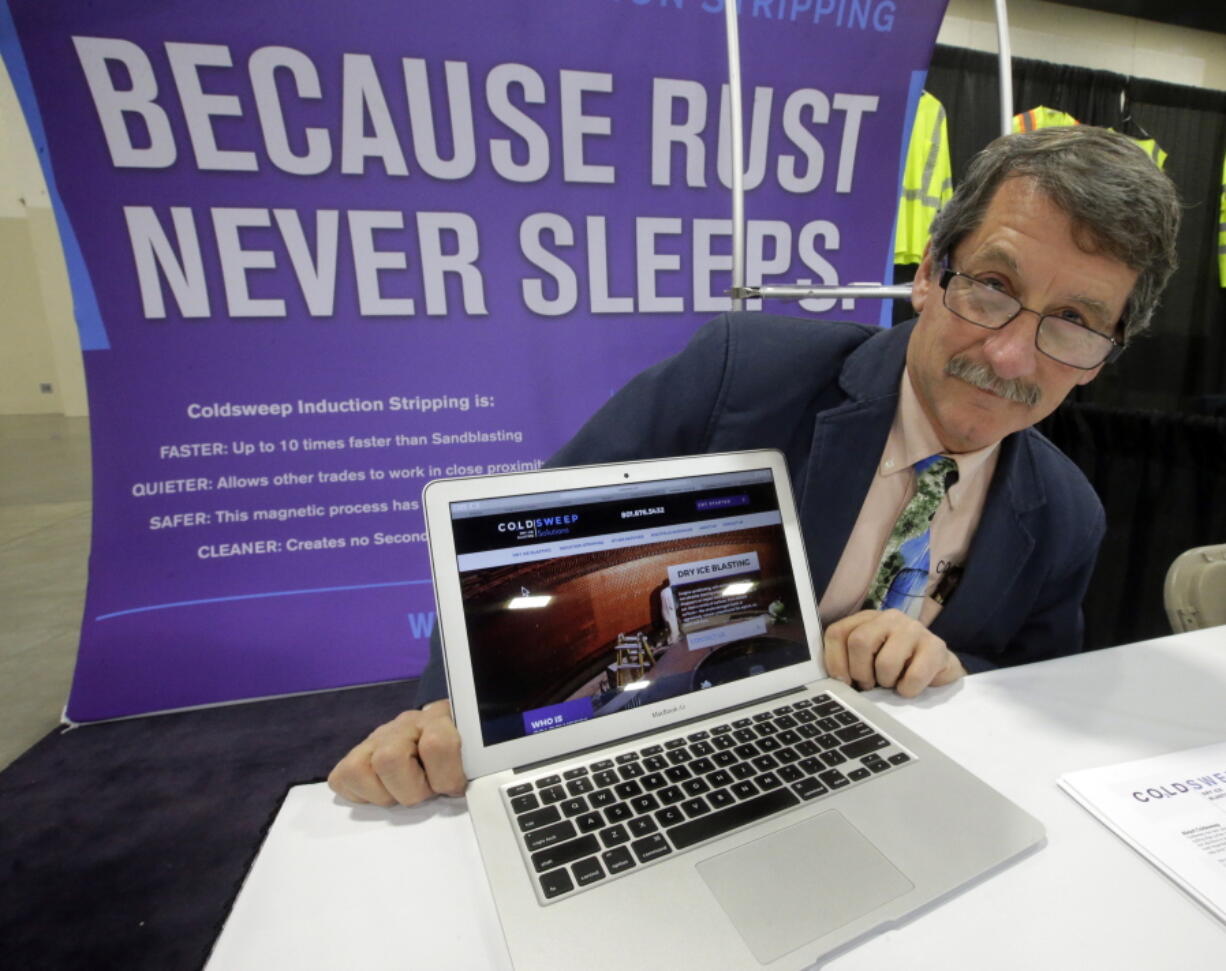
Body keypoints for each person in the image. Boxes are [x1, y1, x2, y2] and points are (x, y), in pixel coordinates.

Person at [328, 126, 1180, 808]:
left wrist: (943, 667)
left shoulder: (1068, 515)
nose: (1009, 352)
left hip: (877, 802)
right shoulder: (745, 377)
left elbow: (1030, 697)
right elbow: (517, 561)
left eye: (1072, 321)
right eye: (992, 284)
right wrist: (457, 722)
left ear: (1104, 356)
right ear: (929, 273)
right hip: (654, 774)